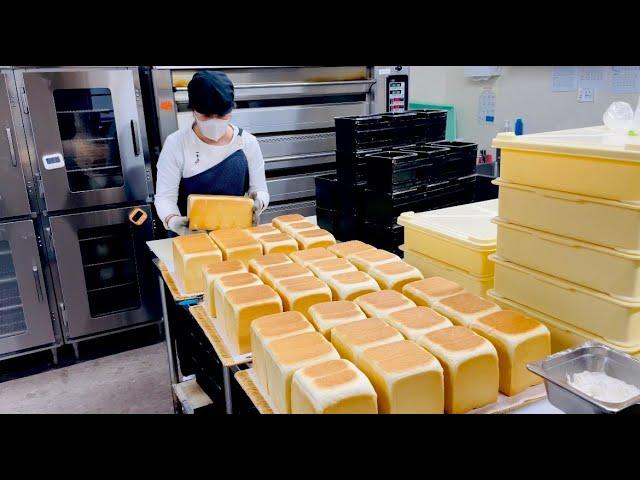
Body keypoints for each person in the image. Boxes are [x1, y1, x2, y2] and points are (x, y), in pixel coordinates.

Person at [155, 71, 269, 236]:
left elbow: (260, 189)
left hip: (235, 235)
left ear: (231, 109)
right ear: (193, 110)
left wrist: (259, 202)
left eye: (222, 115)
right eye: (207, 115)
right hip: (190, 236)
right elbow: (165, 197)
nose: (214, 122)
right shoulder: (176, 144)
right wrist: (173, 220)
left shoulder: (247, 142)